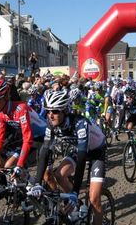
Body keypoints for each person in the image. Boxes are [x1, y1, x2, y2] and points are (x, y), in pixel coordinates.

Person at [29, 90, 106, 225]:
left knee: (94, 199)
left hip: (96, 151)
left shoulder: (80, 123)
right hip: (79, 149)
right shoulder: (51, 125)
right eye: (48, 111)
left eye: (55, 111)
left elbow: (82, 158)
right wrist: (37, 183)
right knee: (59, 175)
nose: (50, 115)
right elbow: (45, 152)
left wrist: (75, 192)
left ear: (65, 110)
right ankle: (79, 207)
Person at [0, 79, 46, 177]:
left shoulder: (21, 109)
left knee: (47, 176)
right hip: (31, 138)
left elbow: (27, 138)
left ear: (5, 96)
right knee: (9, 168)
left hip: (44, 137)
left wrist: (20, 164)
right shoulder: (0, 113)